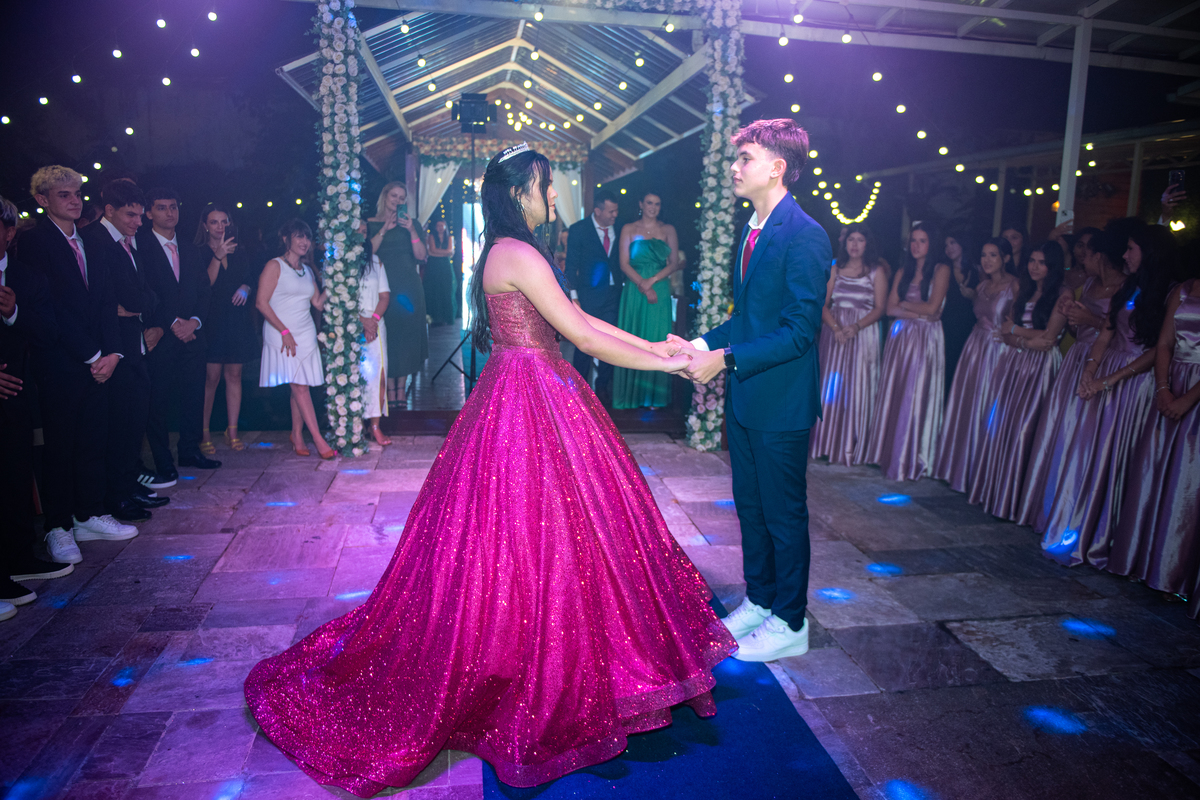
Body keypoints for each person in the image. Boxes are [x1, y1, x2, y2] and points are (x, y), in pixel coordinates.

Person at [245, 143, 729, 795]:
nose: (553, 196)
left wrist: (657, 345)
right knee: (530, 534)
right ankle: (528, 660)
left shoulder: (516, 250)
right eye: (545, 185)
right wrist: (671, 363)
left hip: (537, 386)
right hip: (528, 393)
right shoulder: (516, 252)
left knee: (550, 530)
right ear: (520, 191)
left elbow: (580, 319)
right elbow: (582, 336)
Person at [675, 119, 831, 662]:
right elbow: (747, 319)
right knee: (751, 508)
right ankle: (762, 601)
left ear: (777, 168)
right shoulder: (752, 229)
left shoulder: (805, 235)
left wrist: (724, 359)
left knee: (783, 515)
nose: (734, 167)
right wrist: (698, 344)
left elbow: (799, 331)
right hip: (747, 397)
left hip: (782, 402)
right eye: (736, 157)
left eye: (745, 158)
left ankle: (791, 621)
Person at [15, 166, 137, 564]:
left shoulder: (89, 239)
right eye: (64, 194)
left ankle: (88, 514)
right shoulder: (34, 242)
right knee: (60, 446)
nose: (74, 200)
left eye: (77, 194)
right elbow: (49, 307)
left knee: (93, 439)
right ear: (42, 199)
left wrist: (114, 353)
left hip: (100, 360)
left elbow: (106, 301)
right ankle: (58, 526)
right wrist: (93, 355)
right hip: (59, 360)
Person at [1038, 223, 1174, 564]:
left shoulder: (1168, 292)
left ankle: (1110, 537)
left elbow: (1157, 349)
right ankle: (1083, 527)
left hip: (1136, 380)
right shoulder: (1130, 287)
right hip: (1108, 370)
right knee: (1095, 454)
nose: (1125, 256)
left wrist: (1110, 379)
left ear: (1150, 253)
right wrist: (1090, 370)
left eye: (1131, 249)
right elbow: (1107, 332)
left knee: (1121, 456)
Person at [1015, 229, 1126, 527]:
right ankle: (1049, 506)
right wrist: (1073, 318)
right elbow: (1077, 330)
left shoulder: (1126, 288)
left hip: (1103, 360)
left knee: (1087, 436)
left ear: (1100, 256)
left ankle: (1075, 512)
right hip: (1077, 357)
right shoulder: (1088, 284)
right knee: (1061, 429)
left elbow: (1127, 332)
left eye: (1086, 253)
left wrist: (1089, 319)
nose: (1081, 259)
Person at [1108, 264, 1200, 619]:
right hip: (1171, 380)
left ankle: (1172, 575)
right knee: (1154, 470)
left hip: (1194, 393)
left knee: (1185, 483)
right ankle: (1141, 560)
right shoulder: (1184, 288)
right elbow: (1164, 342)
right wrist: (1163, 389)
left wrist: (1187, 399)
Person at [0, 196, 74, 614]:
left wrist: (14, 313)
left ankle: (17, 559)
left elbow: (48, 332)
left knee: (14, 478)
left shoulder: (27, 279)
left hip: (17, 396)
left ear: (9, 233)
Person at [969, 241, 1069, 520]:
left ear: (1052, 266)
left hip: (1042, 367)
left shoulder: (1062, 293)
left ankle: (1021, 500)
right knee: (1005, 426)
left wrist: (1016, 332)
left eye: (1041, 262)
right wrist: (1023, 338)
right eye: (1032, 261)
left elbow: (1050, 338)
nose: (1035, 267)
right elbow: (1005, 331)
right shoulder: (1024, 289)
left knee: (1028, 429)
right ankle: (999, 494)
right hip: (1016, 361)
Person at [80, 179, 159, 523]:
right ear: (109, 210)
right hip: (112, 346)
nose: (138, 222)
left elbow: (147, 295)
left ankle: (127, 486)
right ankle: (116, 496)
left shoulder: (127, 242)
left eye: (140, 215)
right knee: (118, 424)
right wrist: (134, 303)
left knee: (133, 419)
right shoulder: (95, 240)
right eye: (131, 215)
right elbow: (119, 297)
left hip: (132, 341)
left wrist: (138, 305)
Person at [864, 222, 951, 481]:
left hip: (926, 339)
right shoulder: (903, 271)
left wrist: (905, 306)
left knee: (917, 392)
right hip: (900, 337)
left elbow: (933, 308)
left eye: (922, 241)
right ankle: (889, 453)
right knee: (895, 391)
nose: (916, 245)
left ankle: (913, 457)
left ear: (931, 244)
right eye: (913, 240)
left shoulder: (941, 269)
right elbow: (890, 309)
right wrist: (916, 311)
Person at [137, 188, 211, 486]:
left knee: (193, 396)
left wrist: (194, 322)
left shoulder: (191, 248)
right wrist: (171, 322)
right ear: (149, 213)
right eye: (162, 207)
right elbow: (145, 291)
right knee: (158, 402)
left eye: (173, 207)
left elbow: (204, 291)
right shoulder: (140, 247)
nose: (170, 212)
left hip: (192, 336)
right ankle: (163, 460)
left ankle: (190, 451)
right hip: (161, 335)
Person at [933, 237, 1018, 492]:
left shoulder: (1014, 286)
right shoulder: (981, 286)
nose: (987, 260)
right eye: (983, 255)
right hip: (975, 347)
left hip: (998, 349)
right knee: (968, 405)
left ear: (1005, 258)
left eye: (993, 255)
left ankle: (984, 474)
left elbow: (1014, 323)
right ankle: (961, 469)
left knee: (990, 407)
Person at [809, 223, 888, 466]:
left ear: (867, 244)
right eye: (851, 239)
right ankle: (826, 444)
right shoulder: (835, 269)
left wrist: (856, 327)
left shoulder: (876, 271)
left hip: (863, 334)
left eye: (860, 240)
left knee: (859, 387)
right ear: (845, 243)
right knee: (830, 389)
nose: (854, 244)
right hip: (835, 333)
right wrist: (836, 328)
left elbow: (880, 308)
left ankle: (854, 447)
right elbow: (822, 304)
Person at [256, 219, 333, 459]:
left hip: (305, 332)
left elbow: (317, 303)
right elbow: (261, 303)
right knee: (299, 387)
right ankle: (318, 439)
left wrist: (335, 281)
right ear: (286, 238)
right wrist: (284, 332)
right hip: (282, 333)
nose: (304, 242)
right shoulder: (275, 265)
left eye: (307, 237)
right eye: (299, 236)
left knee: (301, 384)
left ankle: (297, 434)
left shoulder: (307, 270)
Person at [613, 191, 681, 409]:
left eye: (657, 204)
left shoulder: (668, 229)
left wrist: (651, 281)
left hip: (658, 287)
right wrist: (642, 283)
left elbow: (674, 263)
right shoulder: (629, 228)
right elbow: (623, 264)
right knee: (633, 337)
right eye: (649, 202)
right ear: (641, 204)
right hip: (634, 288)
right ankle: (628, 397)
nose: (653, 207)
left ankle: (654, 398)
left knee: (657, 336)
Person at [196, 203, 253, 457]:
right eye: (214, 222)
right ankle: (204, 432)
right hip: (211, 321)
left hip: (236, 320)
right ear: (205, 226)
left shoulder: (239, 250)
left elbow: (249, 277)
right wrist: (218, 256)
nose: (220, 226)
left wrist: (246, 287)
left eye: (224, 221)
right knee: (211, 378)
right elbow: (204, 284)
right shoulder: (199, 252)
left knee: (235, 375)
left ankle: (232, 431)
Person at [367, 182, 427, 407]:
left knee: (406, 338)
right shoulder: (371, 224)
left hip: (408, 288)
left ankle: (400, 391)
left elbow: (421, 256)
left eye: (402, 198)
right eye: (394, 196)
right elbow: (367, 253)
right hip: (381, 289)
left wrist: (411, 230)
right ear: (385, 196)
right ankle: (388, 390)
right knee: (387, 336)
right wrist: (384, 229)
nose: (398, 200)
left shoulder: (413, 224)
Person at [566, 188, 623, 404]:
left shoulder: (621, 228)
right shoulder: (579, 230)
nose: (615, 215)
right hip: (588, 295)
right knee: (585, 343)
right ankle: (579, 390)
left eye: (616, 211)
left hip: (613, 294)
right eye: (611, 211)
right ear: (597, 211)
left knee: (611, 341)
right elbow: (571, 266)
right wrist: (573, 296)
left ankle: (602, 387)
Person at [359, 249, 391, 446]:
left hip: (376, 324)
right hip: (352, 324)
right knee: (356, 377)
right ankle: (355, 425)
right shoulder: (339, 262)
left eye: (364, 233)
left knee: (378, 375)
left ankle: (375, 426)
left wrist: (373, 321)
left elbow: (384, 296)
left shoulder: (376, 261)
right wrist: (362, 321)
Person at [941, 230, 978, 389]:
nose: (948, 248)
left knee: (963, 369)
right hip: (945, 325)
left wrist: (973, 296)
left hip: (967, 327)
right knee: (945, 368)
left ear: (962, 244)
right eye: (946, 245)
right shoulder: (942, 269)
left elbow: (986, 301)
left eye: (952, 243)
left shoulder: (976, 270)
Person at [424, 218, 455, 326]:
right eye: (438, 226)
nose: (440, 228)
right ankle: (435, 317)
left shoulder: (450, 237)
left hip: (445, 265)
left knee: (446, 290)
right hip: (434, 265)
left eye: (442, 226)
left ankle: (447, 317)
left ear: (445, 227)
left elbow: (450, 251)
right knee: (434, 289)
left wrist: (436, 253)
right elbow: (431, 251)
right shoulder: (431, 236)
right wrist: (445, 253)